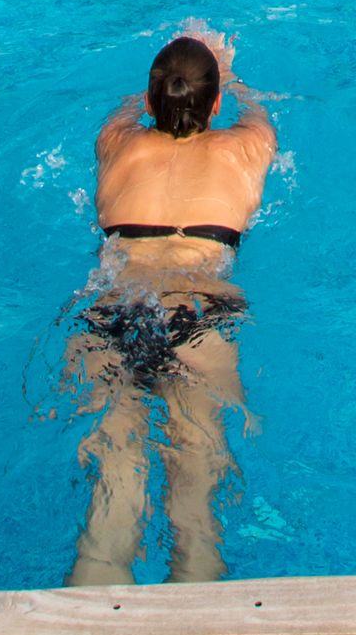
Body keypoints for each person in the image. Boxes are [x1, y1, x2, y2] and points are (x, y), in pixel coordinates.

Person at [68, 29, 275, 587]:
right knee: (194, 507)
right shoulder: (245, 147)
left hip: (113, 313)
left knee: (112, 490)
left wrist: (159, 87)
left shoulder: (116, 141)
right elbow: (257, 114)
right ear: (215, 103)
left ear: (150, 98)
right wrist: (230, 75)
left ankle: (88, 611)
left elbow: (125, 110)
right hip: (196, 320)